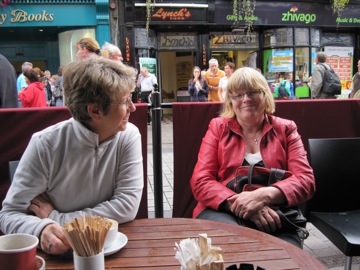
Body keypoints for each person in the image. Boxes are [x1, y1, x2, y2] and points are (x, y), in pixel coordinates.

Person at [0, 58, 144, 255]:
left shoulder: (128, 136)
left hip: (113, 251)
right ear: (94, 111)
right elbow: (9, 213)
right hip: (59, 255)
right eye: (126, 101)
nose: (133, 107)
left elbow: (127, 206)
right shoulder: (45, 144)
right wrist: (40, 229)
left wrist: (55, 218)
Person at [190, 67, 315, 248]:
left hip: (275, 215)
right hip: (223, 210)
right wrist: (241, 205)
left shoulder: (286, 129)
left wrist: (263, 196)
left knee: (284, 260)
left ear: (265, 94)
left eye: (252, 92)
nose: (246, 99)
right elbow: (200, 181)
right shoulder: (217, 127)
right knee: (232, 249)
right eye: (238, 95)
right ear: (230, 102)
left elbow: (305, 180)